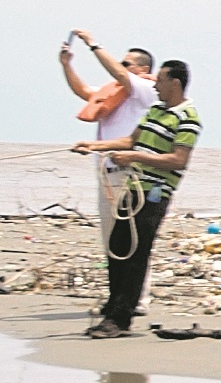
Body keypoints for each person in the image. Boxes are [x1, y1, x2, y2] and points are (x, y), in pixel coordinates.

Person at [70, 60, 201, 338]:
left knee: (135, 254)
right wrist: (94, 145)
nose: (155, 85)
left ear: (175, 83)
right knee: (117, 247)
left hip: (155, 194)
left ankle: (121, 318)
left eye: (161, 80)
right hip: (133, 188)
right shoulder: (155, 109)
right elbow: (131, 140)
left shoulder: (188, 117)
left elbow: (178, 159)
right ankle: (113, 308)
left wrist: (135, 157)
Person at [60, 29, 159, 313]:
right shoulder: (116, 92)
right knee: (111, 237)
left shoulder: (145, 89)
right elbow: (84, 92)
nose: (121, 67)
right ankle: (119, 296)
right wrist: (67, 65)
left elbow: (119, 73)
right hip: (106, 171)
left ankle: (137, 299)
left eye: (127, 64)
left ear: (142, 69)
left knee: (133, 236)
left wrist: (93, 44)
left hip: (130, 171)